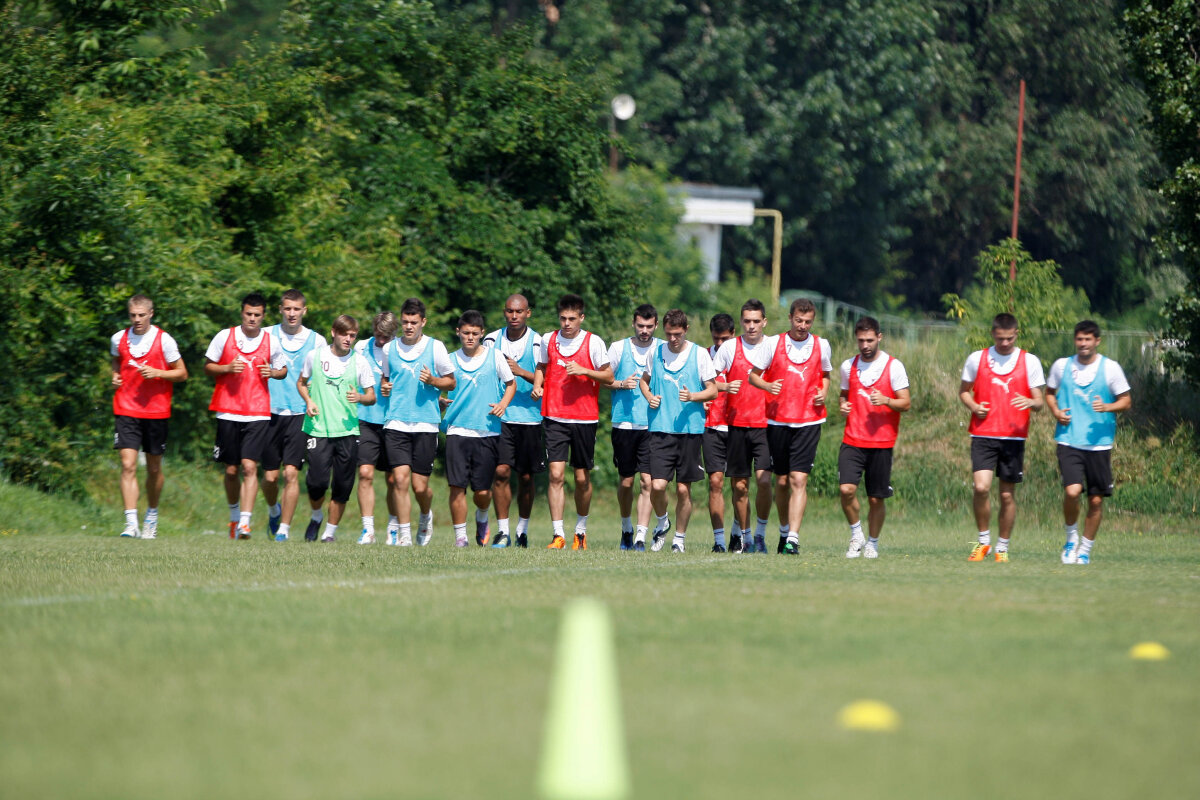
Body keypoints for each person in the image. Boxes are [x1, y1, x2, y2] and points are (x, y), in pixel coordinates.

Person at [958, 312, 1045, 562]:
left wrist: (1031, 402)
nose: (1004, 343)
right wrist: (974, 406)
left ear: (1016, 334)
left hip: (1013, 438)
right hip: (983, 434)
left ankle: (1002, 548)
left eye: (1009, 338)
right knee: (981, 487)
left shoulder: (1029, 361)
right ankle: (983, 542)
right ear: (992, 334)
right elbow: (963, 392)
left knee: (1007, 495)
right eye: (1000, 338)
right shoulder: (977, 358)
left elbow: (1039, 402)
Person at [748, 297, 832, 555]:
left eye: (807, 321)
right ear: (790, 318)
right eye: (798, 320)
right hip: (777, 421)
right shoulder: (773, 343)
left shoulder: (822, 345)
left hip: (809, 421)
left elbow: (825, 375)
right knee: (782, 482)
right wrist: (767, 386)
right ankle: (784, 531)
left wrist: (824, 392)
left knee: (798, 479)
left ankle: (793, 539)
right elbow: (753, 376)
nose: (802, 326)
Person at [1045, 320, 1132, 565]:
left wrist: (1107, 407)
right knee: (1072, 491)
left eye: (1088, 339)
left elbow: (1126, 401)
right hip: (1069, 440)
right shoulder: (1062, 366)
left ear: (1097, 341)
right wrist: (1056, 412)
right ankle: (1070, 539)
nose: (1083, 344)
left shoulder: (1110, 369)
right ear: (1075, 340)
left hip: (1099, 444)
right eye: (1079, 339)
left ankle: (1085, 550)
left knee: (1095, 500)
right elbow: (1049, 393)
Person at [531, 293, 613, 550]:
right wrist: (537, 385)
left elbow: (609, 376)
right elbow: (542, 367)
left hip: (584, 418)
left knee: (581, 478)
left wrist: (584, 370)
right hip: (554, 416)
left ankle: (581, 531)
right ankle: (558, 535)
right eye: (563, 318)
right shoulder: (548, 339)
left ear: (581, 318)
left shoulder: (593, 342)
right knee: (555, 475)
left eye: (572, 319)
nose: (566, 323)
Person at [204, 292, 289, 539]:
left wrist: (272, 373)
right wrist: (226, 368)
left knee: (250, 467)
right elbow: (208, 366)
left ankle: (245, 522)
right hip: (227, 409)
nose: (252, 318)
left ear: (263, 316)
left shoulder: (271, 341)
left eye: (257, 315)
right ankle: (233, 517)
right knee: (231, 470)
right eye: (248, 314)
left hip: (257, 412)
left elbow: (283, 370)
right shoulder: (224, 336)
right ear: (242, 313)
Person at [637, 309, 718, 552]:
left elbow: (713, 390)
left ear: (686, 330)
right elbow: (643, 381)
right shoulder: (655, 352)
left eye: (678, 334)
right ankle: (663, 521)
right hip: (660, 428)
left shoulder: (699, 354)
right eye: (669, 334)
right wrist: (649, 396)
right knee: (657, 486)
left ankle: (679, 540)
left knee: (683, 489)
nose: (673, 339)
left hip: (690, 431)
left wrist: (693, 396)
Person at [110, 294, 188, 539]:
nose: (137, 319)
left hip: (156, 411)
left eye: (141, 315)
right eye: (133, 315)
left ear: (151, 314)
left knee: (154, 469)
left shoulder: (164, 340)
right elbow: (117, 361)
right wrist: (115, 376)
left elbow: (182, 373)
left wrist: (158, 373)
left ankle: (151, 515)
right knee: (127, 465)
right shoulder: (118, 338)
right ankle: (130, 523)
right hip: (126, 408)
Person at [380, 298, 456, 546]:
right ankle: (404, 535)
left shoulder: (436, 348)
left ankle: (425, 515)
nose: (409, 326)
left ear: (423, 321)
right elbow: (385, 379)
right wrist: (384, 387)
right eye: (405, 322)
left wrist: (433, 381)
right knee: (400, 480)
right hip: (396, 422)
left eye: (414, 322)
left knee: (419, 486)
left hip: (426, 424)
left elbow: (451, 382)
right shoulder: (389, 349)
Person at [296, 315, 376, 542]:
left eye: (352, 335)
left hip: (348, 432)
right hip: (318, 429)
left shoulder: (359, 362)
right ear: (333, 332)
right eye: (344, 334)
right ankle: (316, 516)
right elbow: (301, 383)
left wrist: (360, 397)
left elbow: (372, 396)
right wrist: (309, 401)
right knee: (317, 484)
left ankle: (329, 534)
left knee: (342, 486)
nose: (348, 339)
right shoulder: (315, 356)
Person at [837, 317, 911, 558]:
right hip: (852, 440)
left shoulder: (894, 366)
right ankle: (856, 534)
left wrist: (887, 400)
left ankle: (873, 543)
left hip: (882, 443)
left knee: (876, 499)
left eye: (869, 340)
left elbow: (905, 403)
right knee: (846, 490)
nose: (865, 345)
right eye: (861, 340)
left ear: (879, 337)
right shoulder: (848, 366)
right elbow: (844, 393)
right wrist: (843, 405)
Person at [443, 310, 516, 547]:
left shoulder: (495, 357)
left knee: (482, 492)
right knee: (457, 487)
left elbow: (511, 384)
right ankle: (460, 537)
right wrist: (440, 401)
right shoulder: (449, 360)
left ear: (482, 333)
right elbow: (436, 387)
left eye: (475, 333)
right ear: (458, 332)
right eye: (466, 333)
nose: (470, 337)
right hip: (457, 430)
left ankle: (482, 516)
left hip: (487, 431)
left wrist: (503, 404)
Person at [710, 299, 774, 553]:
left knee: (764, 481)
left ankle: (760, 535)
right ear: (741, 322)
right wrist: (724, 386)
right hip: (736, 424)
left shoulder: (773, 346)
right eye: (747, 321)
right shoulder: (729, 348)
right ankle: (746, 538)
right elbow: (710, 381)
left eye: (756, 321)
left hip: (766, 425)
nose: (751, 326)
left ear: (764, 322)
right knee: (739, 486)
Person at [262, 290, 326, 541]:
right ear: (280, 309)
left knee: (291, 473)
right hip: (268, 411)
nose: (292, 313)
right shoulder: (266, 335)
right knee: (270, 477)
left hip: (300, 413)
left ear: (304, 311)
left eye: (296, 309)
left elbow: (322, 377)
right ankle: (273, 510)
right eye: (287, 308)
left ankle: (284, 530)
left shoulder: (317, 341)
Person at [484, 294, 545, 548]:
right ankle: (502, 531)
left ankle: (522, 530)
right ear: (504, 312)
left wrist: (521, 372)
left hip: (530, 418)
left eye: (519, 311)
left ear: (528, 313)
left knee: (527, 477)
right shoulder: (491, 340)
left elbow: (546, 378)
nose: (514, 316)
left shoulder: (538, 342)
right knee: (500, 472)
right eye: (510, 311)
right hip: (501, 416)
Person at [607, 304, 663, 549]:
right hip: (624, 424)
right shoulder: (618, 348)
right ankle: (626, 528)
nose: (644, 330)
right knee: (626, 482)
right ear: (633, 324)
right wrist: (620, 383)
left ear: (656, 325)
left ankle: (641, 535)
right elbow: (604, 379)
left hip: (653, 425)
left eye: (649, 326)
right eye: (640, 326)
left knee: (647, 482)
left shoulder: (663, 349)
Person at [354, 312, 402, 545]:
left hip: (393, 420)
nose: (381, 340)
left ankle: (393, 528)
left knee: (394, 480)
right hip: (365, 418)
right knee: (365, 473)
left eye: (386, 336)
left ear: (394, 334)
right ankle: (368, 530)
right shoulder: (361, 348)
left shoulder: (401, 350)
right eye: (378, 335)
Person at [704, 314, 736, 552]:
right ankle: (719, 541)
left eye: (724, 338)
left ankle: (738, 535)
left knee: (739, 484)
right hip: (712, 426)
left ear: (733, 334)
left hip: (737, 426)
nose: (720, 343)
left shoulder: (743, 356)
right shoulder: (703, 356)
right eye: (716, 338)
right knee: (715, 482)